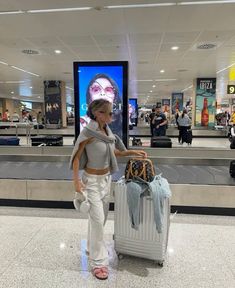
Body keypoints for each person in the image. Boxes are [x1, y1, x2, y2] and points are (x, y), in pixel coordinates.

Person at [70, 99, 147, 280]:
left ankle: (91, 247)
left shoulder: (107, 132)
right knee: (97, 220)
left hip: (106, 179)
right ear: (97, 113)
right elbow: (76, 157)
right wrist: (76, 183)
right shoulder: (88, 133)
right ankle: (99, 262)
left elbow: (113, 152)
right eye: (108, 113)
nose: (111, 116)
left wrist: (131, 152)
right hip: (91, 182)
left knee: (100, 219)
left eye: (111, 112)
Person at [80, 73, 122, 137]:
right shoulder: (83, 123)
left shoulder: (121, 122)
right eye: (96, 90)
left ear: (115, 96)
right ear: (89, 97)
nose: (102, 94)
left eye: (108, 90)